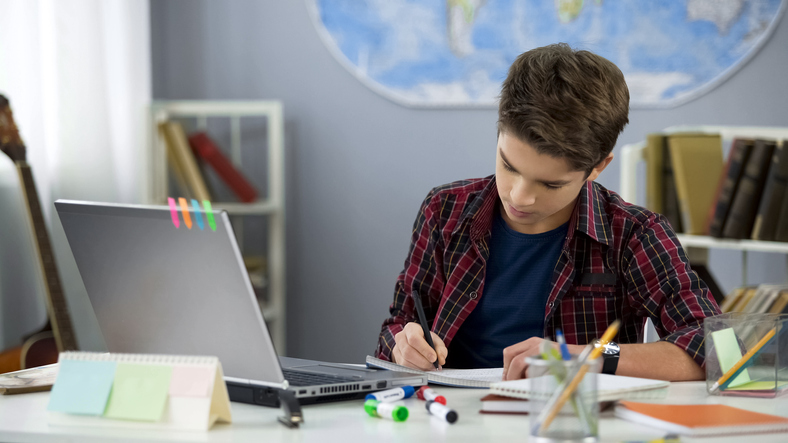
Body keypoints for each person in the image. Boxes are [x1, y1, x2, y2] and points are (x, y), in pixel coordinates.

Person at [374, 43, 721, 382]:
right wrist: (402, 345)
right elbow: (398, 323)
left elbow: (714, 348)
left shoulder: (634, 234)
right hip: (448, 418)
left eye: (550, 184)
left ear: (597, 167)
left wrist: (583, 356)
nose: (519, 196)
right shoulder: (444, 210)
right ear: (498, 133)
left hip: (571, 427)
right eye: (508, 166)